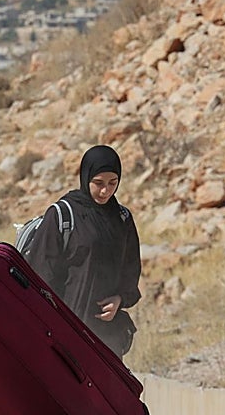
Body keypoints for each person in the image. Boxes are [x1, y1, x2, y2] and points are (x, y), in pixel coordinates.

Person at [28, 145, 141, 358]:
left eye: (112, 183)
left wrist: (120, 299)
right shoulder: (62, 215)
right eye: (98, 183)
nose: (105, 191)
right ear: (85, 177)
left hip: (107, 336)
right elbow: (39, 273)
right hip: (64, 333)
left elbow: (131, 268)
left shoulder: (122, 218)